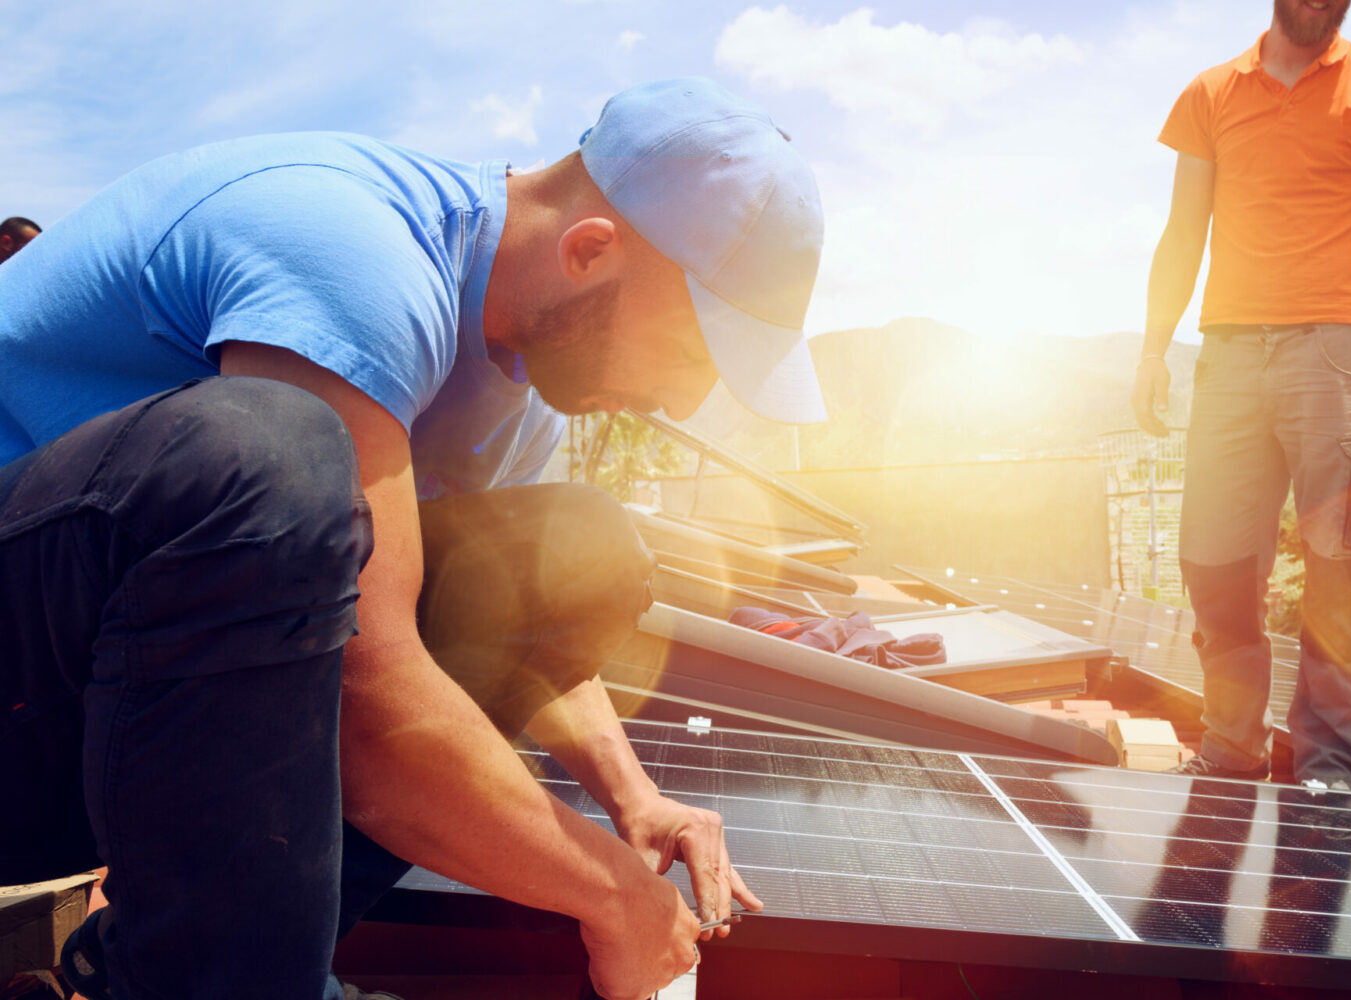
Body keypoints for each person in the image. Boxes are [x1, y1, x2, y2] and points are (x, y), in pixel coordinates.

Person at [0, 78, 826, 1000]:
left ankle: (177, 972)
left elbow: (513, 631)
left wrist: (632, 797)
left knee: (582, 553)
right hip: (17, 715)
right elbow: (371, 695)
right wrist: (618, 898)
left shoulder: (517, 390)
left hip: (120, 724)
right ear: (592, 251)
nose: (679, 402)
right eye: (688, 358)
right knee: (267, 455)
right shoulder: (346, 245)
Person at [1130, 0, 1351, 790]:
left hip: (1336, 353)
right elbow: (1183, 233)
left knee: (1341, 563)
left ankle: (1331, 768)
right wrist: (1151, 348)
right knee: (1215, 563)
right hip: (1229, 356)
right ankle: (1230, 750)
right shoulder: (1209, 94)